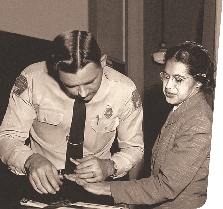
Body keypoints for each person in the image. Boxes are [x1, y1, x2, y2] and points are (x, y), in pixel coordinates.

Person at [0, 30, 144, 205]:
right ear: (55, 71)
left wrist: (109, 166)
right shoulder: (32, 79)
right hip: (41, 186)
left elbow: (134, 148)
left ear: (102, 62)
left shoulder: (124, 90)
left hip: (97, 187)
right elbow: (6, 138)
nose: (82, 93)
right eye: (70, 85)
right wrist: (30, 160)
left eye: (90, 82)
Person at [66, 41, 215, 209]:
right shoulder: (183, 108)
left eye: (178, 79)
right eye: (166, 76)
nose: (168, 86)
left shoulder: (198, 121)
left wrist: (106, 188)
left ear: (199, 82)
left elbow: (166, 186)